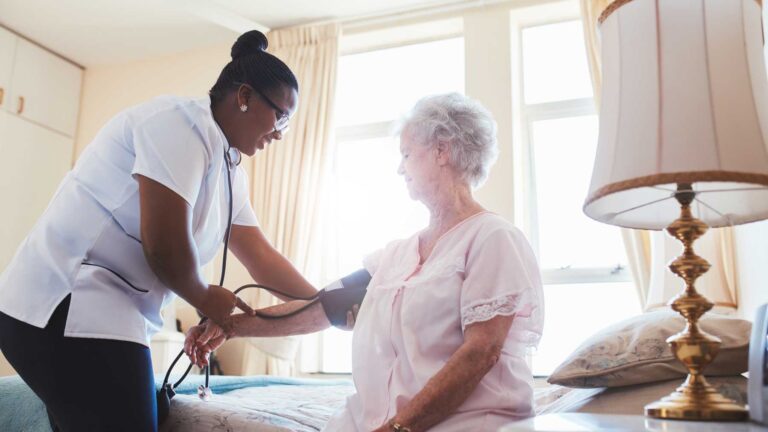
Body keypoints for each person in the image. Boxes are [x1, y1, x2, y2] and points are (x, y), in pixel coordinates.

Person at [0, 30, 318, 432]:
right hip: (62, 304)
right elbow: (164, 246)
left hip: (110, 313)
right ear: (244, 97)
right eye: (281, 116)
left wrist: (322, 302)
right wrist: (203, 296)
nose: (280, 133)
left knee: (147, 411)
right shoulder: (178, 125)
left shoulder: (229, 168)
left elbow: (261, 256)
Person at [186, 93, 545, 432]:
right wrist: (229, 327)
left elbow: (480, 353)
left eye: (406, 154)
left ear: (441, 150)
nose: (400, 169)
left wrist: (398, 428)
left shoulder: (492, 237)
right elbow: (321, 308)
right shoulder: (397, 255)